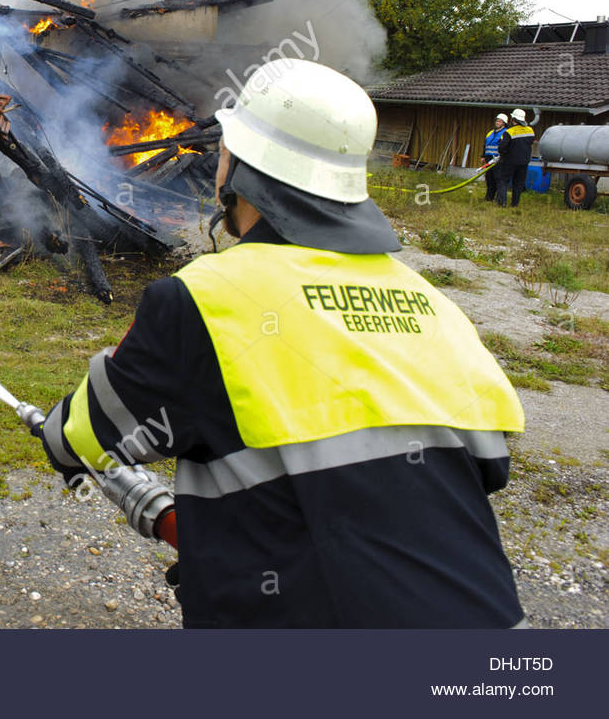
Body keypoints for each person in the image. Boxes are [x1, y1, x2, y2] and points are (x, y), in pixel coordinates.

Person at [38, 59, 526, 628]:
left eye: (226, 147)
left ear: (240, 171)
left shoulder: (202, 300)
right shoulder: (431, 303)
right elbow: (483, 470)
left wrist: (56, 429)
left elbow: (83, 440)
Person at [495, 109, 536, 208]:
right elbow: (530, 142)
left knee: (503, 181)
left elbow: (502, 147)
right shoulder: (530, 130)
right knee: (518, 183)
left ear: (513, 119)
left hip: (510, 161)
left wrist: (503, 154)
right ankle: (515, 204)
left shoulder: (510, 132)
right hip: (524, 162)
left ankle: (502, 203)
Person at [483, 112, 507, 202]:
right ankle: (489, 197)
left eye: (500, 121)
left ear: (504, 123)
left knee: (498, 179)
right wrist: (483, 156)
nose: (497, 123)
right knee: (489, 179)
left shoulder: (505, 133)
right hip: (489, 159)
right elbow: (485, 145)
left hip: (498, 159)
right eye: (497, 121)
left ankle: (499, 198)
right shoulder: (490, 133)